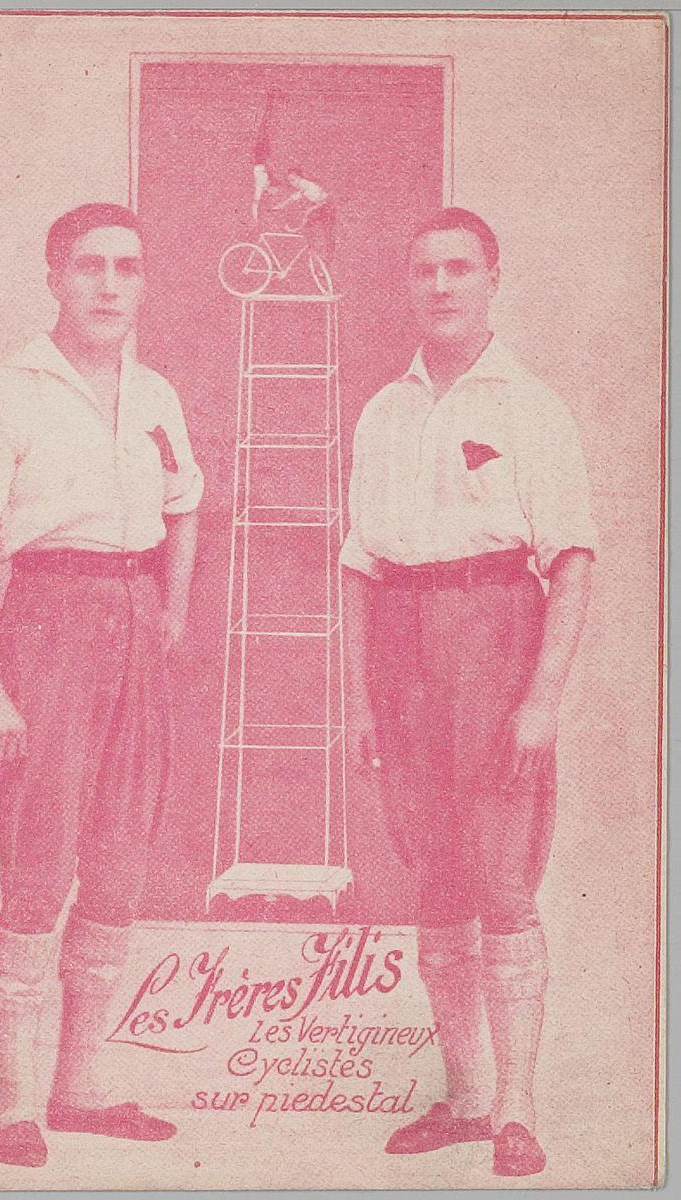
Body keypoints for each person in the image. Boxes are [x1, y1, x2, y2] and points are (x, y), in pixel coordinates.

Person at [0, 203, 203, 1168]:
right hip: (47, 626)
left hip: (135, 627)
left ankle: (80, 1090)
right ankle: (18, 1106)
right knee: (39, 873)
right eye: (89, 266)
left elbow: (186, 502)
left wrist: (172, 611)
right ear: (54, 278)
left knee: (119, 867)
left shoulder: (156, 392)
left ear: (145, 282)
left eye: (127, 266)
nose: (109, 285)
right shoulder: (9, 395)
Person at [340, 207, 597, 1177]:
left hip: (496, 639)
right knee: (436, 878)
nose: (440, 286)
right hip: (400, 648)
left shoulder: (529, 405)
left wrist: (541, 699)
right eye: (424, 270)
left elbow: (571, 560)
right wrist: (360, 702)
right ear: (408, 285)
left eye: (459, 268)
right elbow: (359, 564)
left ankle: (516, 1111)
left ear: (492, 279)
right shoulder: (384, 411)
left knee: (501, 881)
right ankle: (463, 1098)